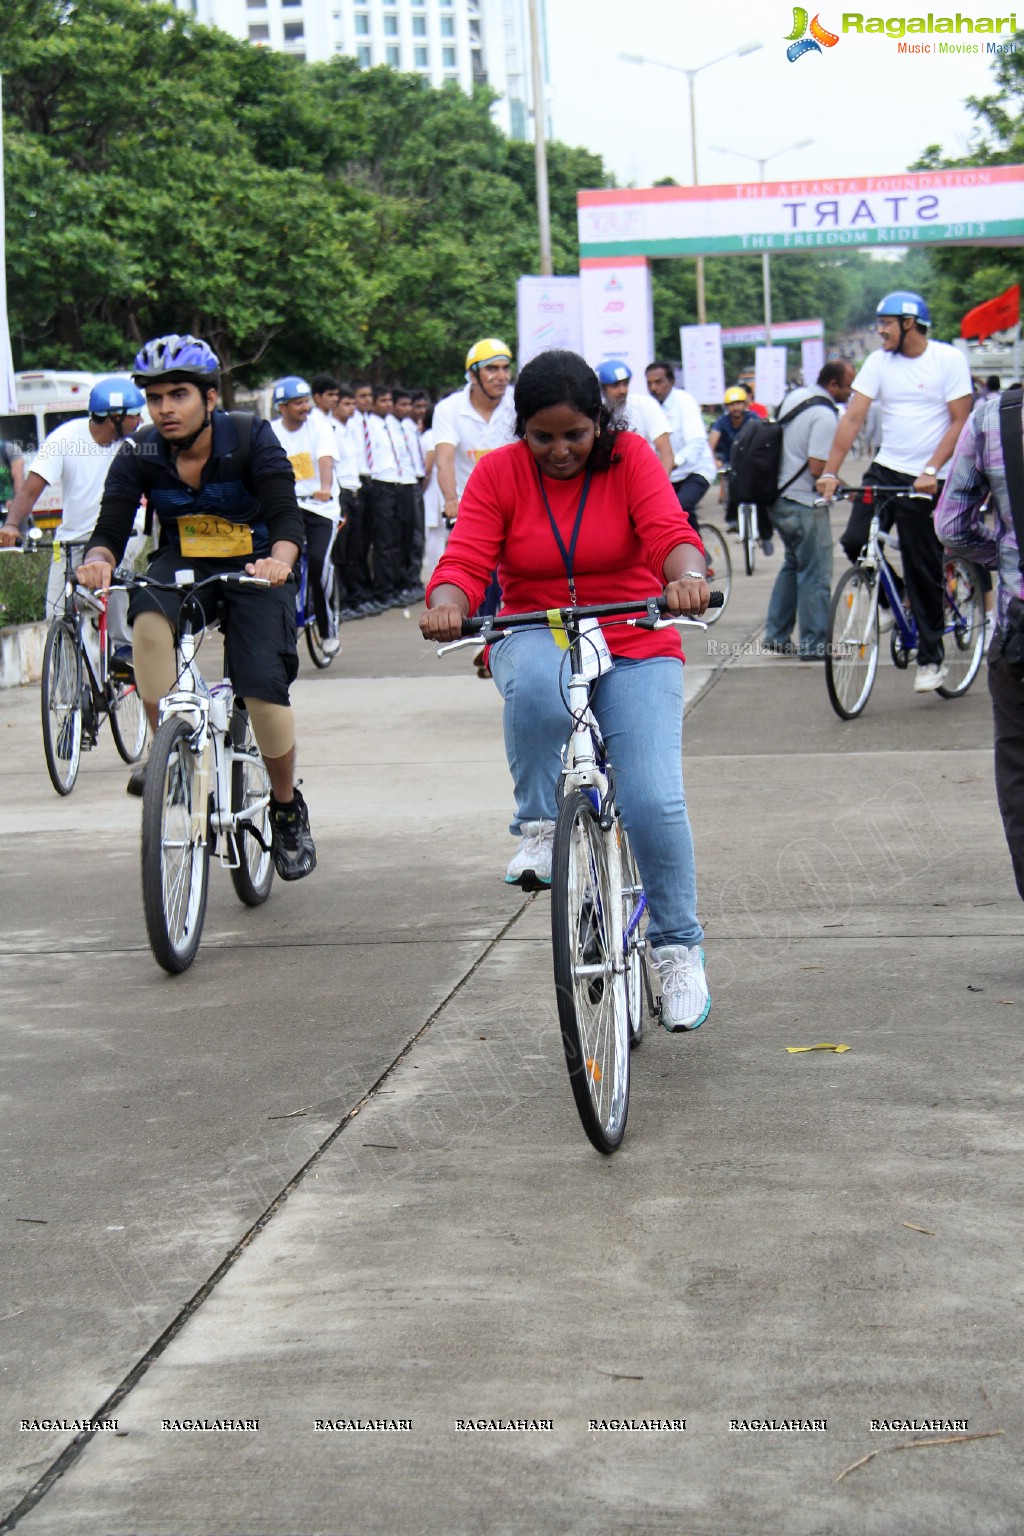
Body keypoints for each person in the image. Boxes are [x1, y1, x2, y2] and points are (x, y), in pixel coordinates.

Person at [421, 349, 712, 1032]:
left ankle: (677, 949)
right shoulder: (497, 472)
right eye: (542, 436)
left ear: (599, 425)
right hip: (535, 625)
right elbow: (465, 559)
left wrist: (687, 576)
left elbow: (672, 534)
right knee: (537, 693)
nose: (558, 451)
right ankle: (539, 825)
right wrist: (446, 601)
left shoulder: (633, 457)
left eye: (574, 435)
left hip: (636, 630)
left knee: (652, 796)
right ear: (520, 428)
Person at [74, 333, 316, 881]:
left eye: (178, 395)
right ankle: (171, 755)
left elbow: (284, 516)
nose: (164, 409)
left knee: (259, 685)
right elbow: (110, 526)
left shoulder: (252, 436)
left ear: (209, 398)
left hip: (256, 566)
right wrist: (98, 560)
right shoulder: (140, 452)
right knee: (147, 615)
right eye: (155, 398)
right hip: (185, 565)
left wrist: (279, 559)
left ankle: (285, 806)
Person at [817, 290, 973, 692]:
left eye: (885, 323)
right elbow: (853, 416)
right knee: (854, 540)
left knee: (923, 566)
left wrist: (932, 469)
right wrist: (831, 472)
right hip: (886, 469)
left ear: (909, 323)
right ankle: (892, 599)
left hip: (926, 476)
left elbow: (960, 420)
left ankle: (931, 658)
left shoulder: (947, 359)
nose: (879, 330)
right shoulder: (879, 363)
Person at [936, 386, 1024, 897]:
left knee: (1019, 767)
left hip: (1020, 630)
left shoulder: (995, 418)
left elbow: (952, 526)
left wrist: (1007, 560)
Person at [0, 379, 145, 632]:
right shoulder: (65, 438)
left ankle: (122, 651)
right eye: (135, 415)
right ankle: (65, 662)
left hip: (124, 528)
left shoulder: (137, 444)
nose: (141, 420)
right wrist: (12, 524)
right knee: (56, 612)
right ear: (115, 417)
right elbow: (31, 488)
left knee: (114, 569)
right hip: (72, 534)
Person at [763, 361, 855, 661]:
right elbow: (818, 468)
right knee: (815, 574)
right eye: (847, 386)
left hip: (778, 498)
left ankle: (777, 635)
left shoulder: (796, 397)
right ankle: (815, 644)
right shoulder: (825, 415)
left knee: (793, 566)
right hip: (804, 503)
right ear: (833, 385)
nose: (851, 392)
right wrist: (843, 485)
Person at [270, 375, 341, 656]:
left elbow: (325, 458)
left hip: (321, 508)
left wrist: (325, 487)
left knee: (318, 562)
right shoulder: (272, 431)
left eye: (305, 401)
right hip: (289, 506)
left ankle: (329, 631)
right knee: (280, 567)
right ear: (282, 407)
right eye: (297, 403)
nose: (304, 407)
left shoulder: (320, 427)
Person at [432, 338, 517, 524]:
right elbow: (444, 460)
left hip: (515, 506)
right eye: (492, 369)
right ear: (472, 375)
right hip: (470, 508)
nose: (502, 376)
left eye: (505, 368)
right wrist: (451, 500)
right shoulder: (449, 408)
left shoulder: (518, 402)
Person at [644, 360, 717, 523]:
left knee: (680, 508)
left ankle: (695, 548)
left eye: (658, 382)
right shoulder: (648, 407)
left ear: (671, 381)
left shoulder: (684, 401)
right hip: (669, 475)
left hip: (695, 470)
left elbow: (697, 441)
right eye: (649, 383)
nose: (653, 388)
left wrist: (673, 462)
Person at [595, 360, 673, 476]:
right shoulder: (595, 412)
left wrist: (661, 486)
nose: (623, 390)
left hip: (646, 474)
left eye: (625, 384)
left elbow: (666, 453)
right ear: (602, 388)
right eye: (615, 385)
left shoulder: (646, 405)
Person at [709, 386, 761, 534]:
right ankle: (732, 520)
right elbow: (711, 444)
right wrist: (715, 462)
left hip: (750, 460)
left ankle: (763, 528)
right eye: (732, 404)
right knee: (731, 490)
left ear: (744, 404)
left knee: (762, 492)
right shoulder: (721, 422)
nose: (735, 407)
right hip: (729, 462)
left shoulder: (753, 419)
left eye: (738, 403)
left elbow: (762, 437)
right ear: (727, 407)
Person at [0, 437, 25, 525]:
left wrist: (16, 502)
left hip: (8, 506)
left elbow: (18, 478)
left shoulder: (9, 449)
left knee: (19, 534)